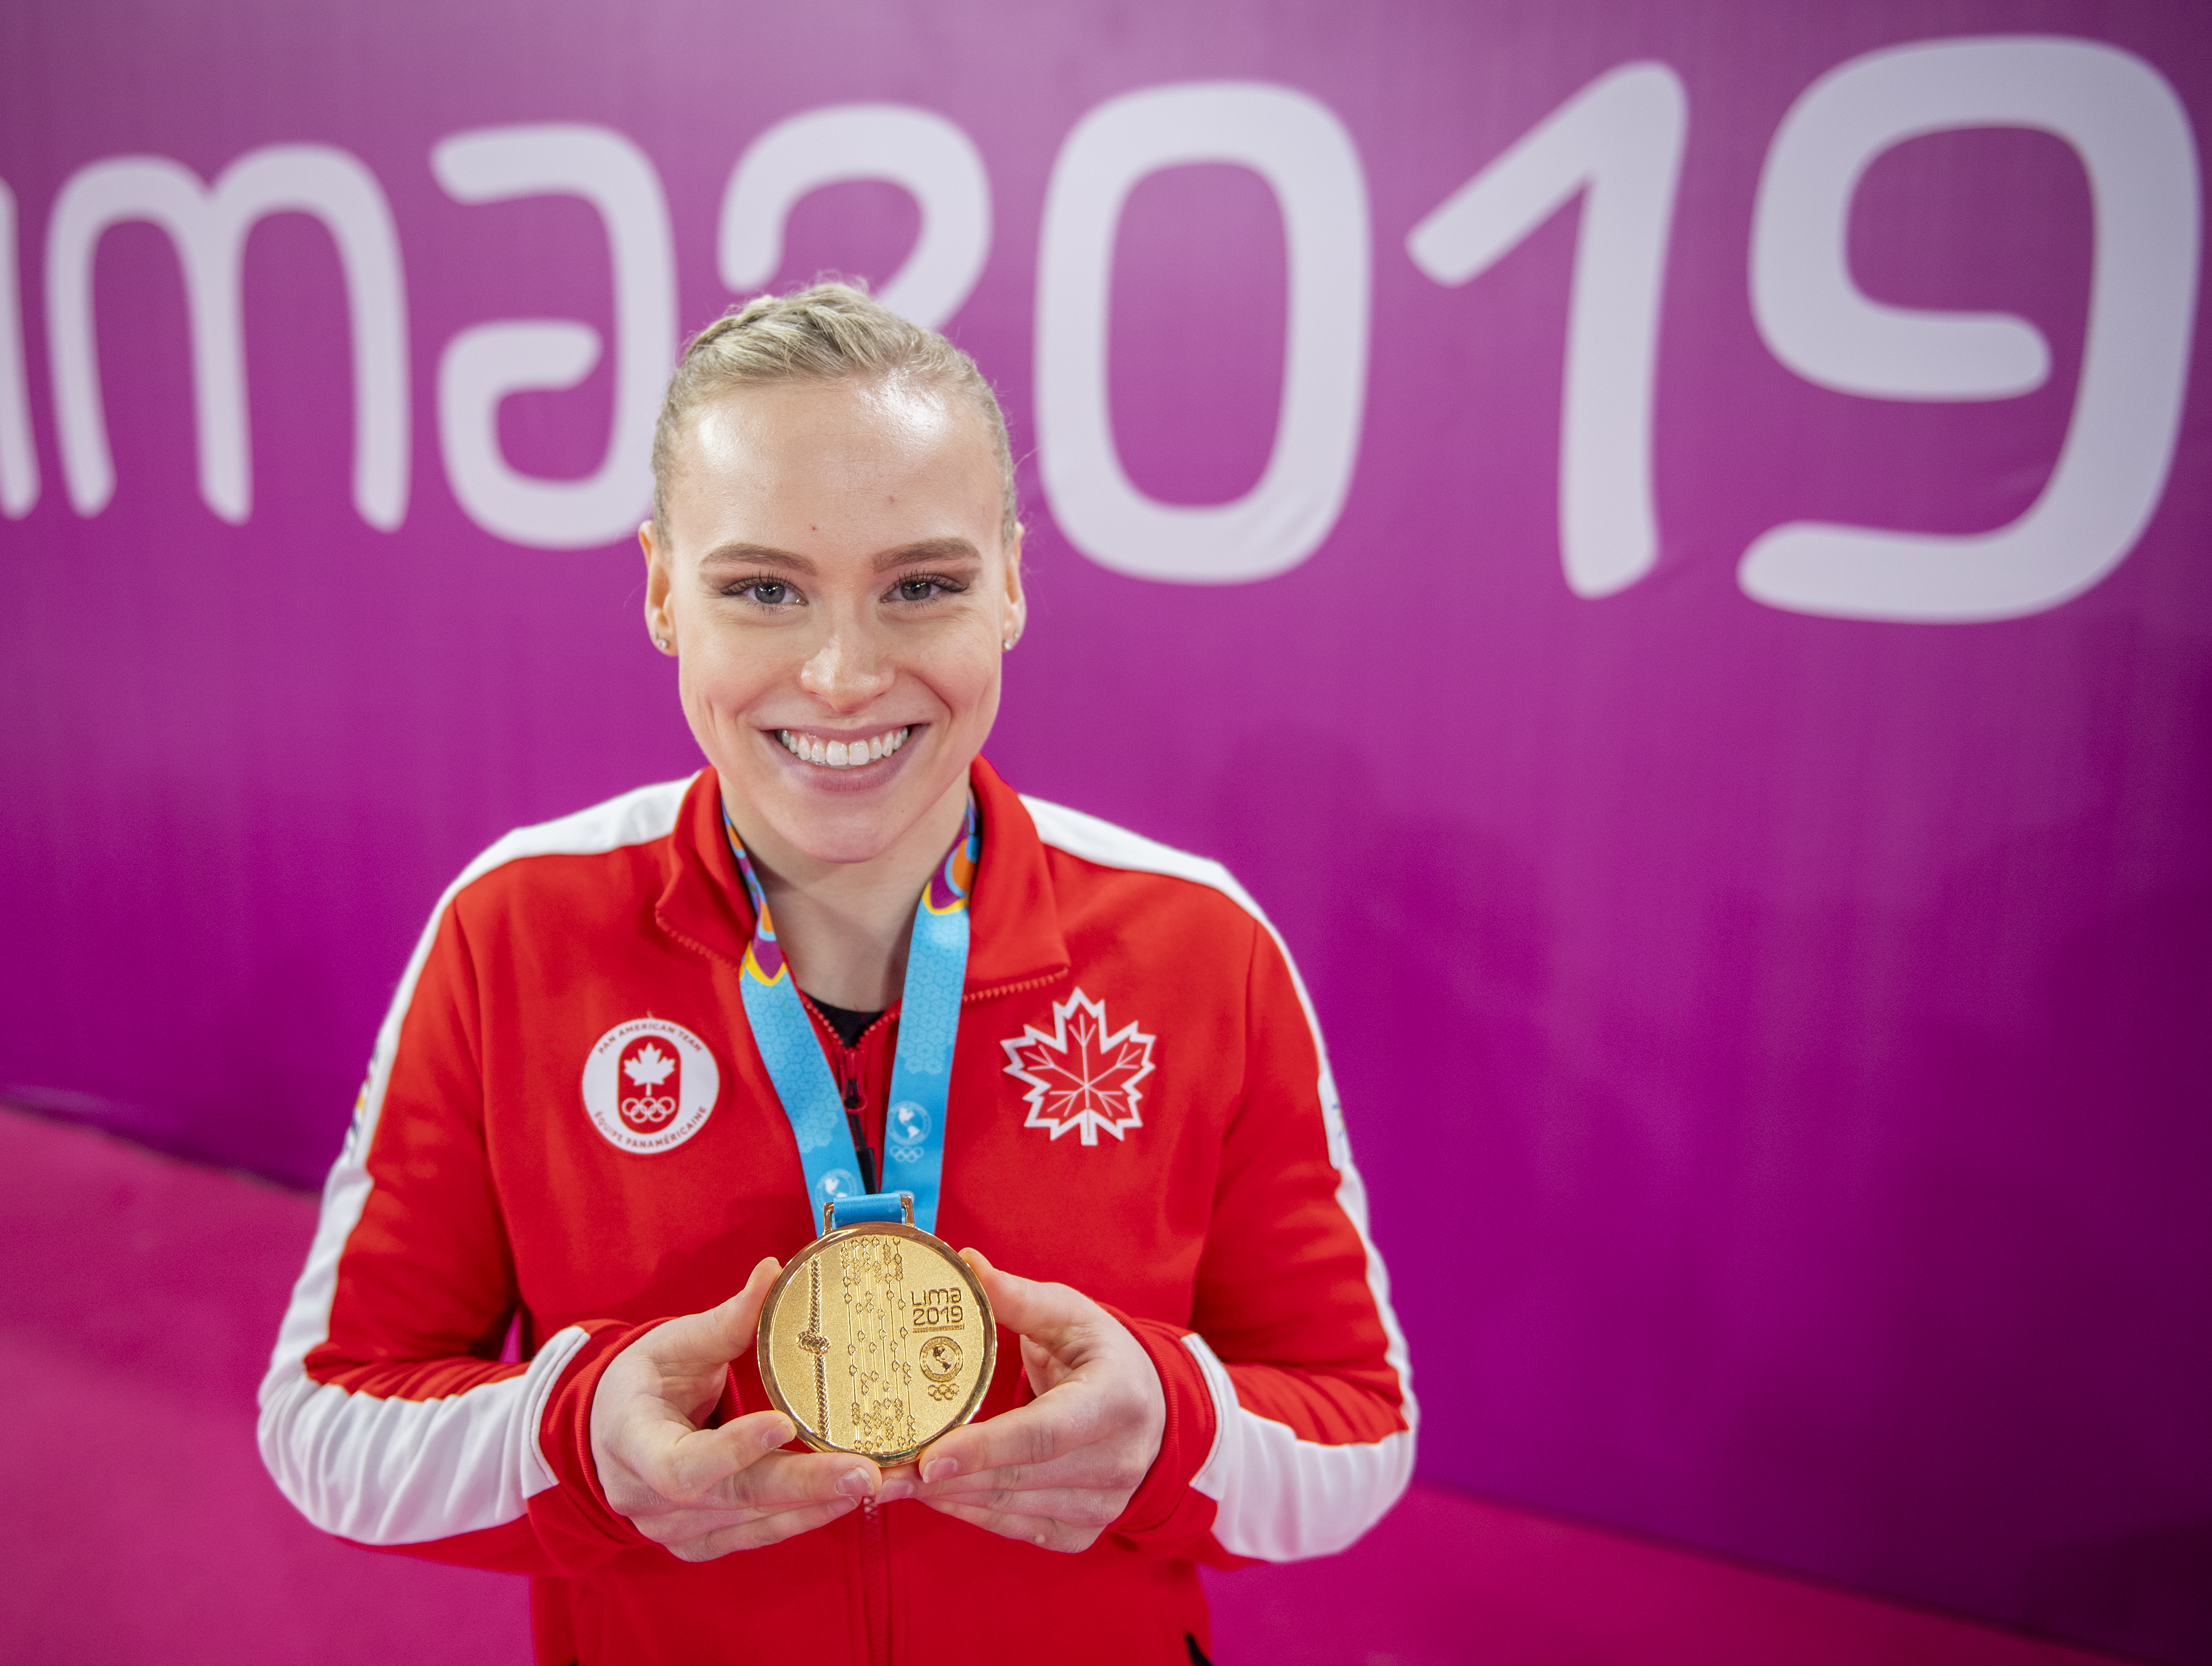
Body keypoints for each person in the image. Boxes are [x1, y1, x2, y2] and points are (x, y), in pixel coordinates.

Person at [258, 283, 1414, 1666]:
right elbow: (325, 1419)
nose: (845, 673)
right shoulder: (511, 930)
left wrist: (1179, 1432)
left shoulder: (1201, 947)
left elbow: (1361, 1424)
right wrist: (569, 1443)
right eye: (762, 588)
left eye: (920, 585)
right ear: (660, 594)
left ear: (1012, 587)